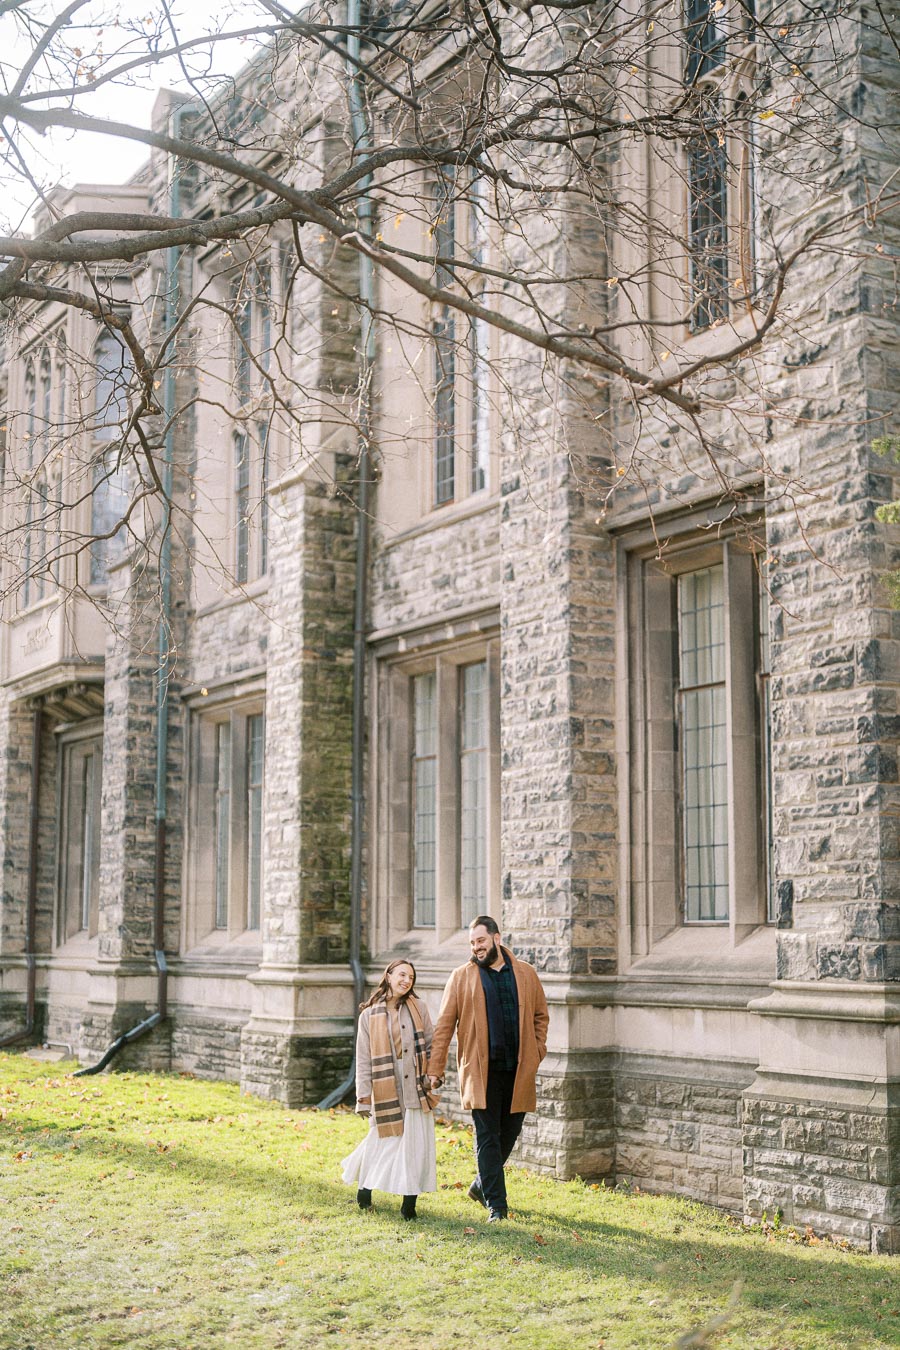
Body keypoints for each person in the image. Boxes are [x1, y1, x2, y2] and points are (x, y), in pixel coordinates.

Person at [427, 915, 549, 1222]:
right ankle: (497, 1206)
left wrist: (537, 1051)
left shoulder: (525, 973)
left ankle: (481, 1185)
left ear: (496, 938)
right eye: (472, 943)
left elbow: (540, 1016)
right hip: (481, 1072)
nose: (476, 948)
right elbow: (443, 1028)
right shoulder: (461, 977)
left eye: (480, 940)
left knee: (510, 1131)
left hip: (518, 1069)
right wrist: (434, 1069)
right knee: (487, 1136)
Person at [341, 958, 438, 1221]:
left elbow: (432, 1044)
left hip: (416, 1086)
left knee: (415, 1145)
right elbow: (363, 1058)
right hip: (386, 1085)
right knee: (382, 1141)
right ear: (389, 975)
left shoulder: (419, 1008)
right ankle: (364, 1190)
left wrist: (434, 1075)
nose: (407, 981)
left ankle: (409, 1205)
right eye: (402, 975)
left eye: (411, 977)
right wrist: (363, 1097)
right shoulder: (368, 1016)